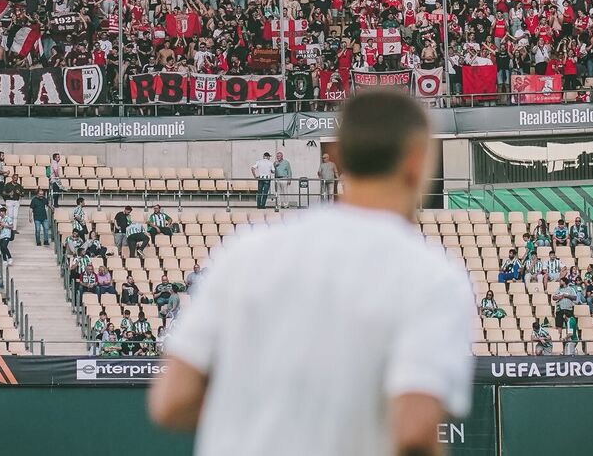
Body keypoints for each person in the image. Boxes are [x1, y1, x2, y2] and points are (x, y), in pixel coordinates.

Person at [150, 90, 474, 456]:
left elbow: (171, 399)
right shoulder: (431, 277)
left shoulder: (246, 252)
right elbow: (413, 429)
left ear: (336, 157)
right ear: (417, 161)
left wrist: (265, 419)